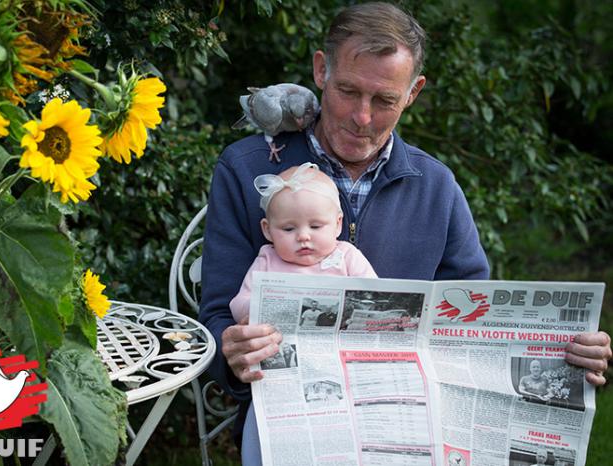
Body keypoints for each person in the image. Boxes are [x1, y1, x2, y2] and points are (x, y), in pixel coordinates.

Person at [198, 2, 612, 464]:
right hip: (294, 413)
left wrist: (565, 355)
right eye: (348, 91)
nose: (361, 117)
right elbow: (215, 315)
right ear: (320, 70)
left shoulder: (436, 187)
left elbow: (474, 323)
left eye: (385, 100)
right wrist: (232, 351)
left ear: (413, 92)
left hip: (411, 418)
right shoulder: (246, 168)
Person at [229, 163, 377, 325]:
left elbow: (375, 295)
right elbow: (238, 303)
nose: (303, 236)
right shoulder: (267, 260)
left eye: (315, 226)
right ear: (268, 230)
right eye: (289, 229)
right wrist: (255, 308)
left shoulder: (347, 256)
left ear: (337, 224)